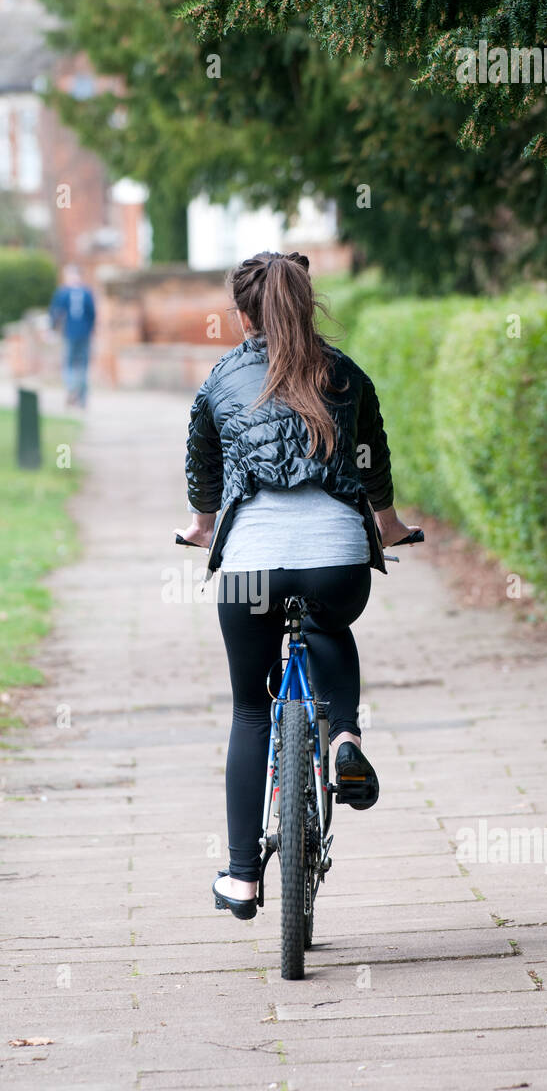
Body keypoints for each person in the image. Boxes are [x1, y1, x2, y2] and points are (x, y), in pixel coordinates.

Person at [178, 250, 419, 920]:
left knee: (250, 710)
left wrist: (202, 528)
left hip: (250, 567)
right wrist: (391, 529)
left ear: (241, 312)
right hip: (334, 559)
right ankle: (344, 738)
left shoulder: (221, 379)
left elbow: (202, 472)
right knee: (327, 624)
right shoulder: (344, 373)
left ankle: (241, 878)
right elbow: (371, 463)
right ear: (306, 302)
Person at [49, 264, 96, 408]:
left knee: (69, 365)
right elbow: (92, 315)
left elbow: (55, 313)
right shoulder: (87, 293)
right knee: (82, 366)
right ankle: (81, 398)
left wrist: (52, 329)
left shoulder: (63, 293)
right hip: (84, 334)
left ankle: (71, 389)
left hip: (70, 333)